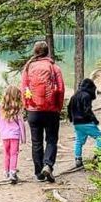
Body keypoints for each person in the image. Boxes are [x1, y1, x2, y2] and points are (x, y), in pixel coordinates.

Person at [21, 41, 65, 183]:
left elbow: (24, 89)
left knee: (36, 142)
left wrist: (27, 106)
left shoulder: (28, 68)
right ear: (47, 52)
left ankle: (39, 173)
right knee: (51, 139)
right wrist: (58, 107)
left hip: (33, 111)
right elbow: (61, 90)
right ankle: (48, 165)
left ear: (35, 52)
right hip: (51, 111)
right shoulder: (54, 67)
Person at [0, 85, 28, 184]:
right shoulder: (17, 108)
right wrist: (23, 138)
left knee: (6, 153)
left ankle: (6, 172)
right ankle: (12, 173)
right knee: (14, 154)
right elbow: (21, 124)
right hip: (15, 135)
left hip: (4, 135)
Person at [67, 78, 101, 168]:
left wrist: (72, 119)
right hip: (86, 122)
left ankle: (78, 159)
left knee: (79, 141)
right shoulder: (86, 96)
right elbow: (87, 110)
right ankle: (99, 156)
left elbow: (69, 108)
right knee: (100, 137)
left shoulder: (74, 96)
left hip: (77, 123)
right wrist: (95, 120)